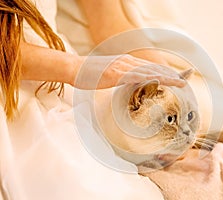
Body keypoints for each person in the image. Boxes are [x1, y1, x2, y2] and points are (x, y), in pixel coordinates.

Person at [0, 0, 184, 199]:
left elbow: (110, 25)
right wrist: (77, 68)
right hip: (16, 86)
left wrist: (172, 85)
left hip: (61, 81)